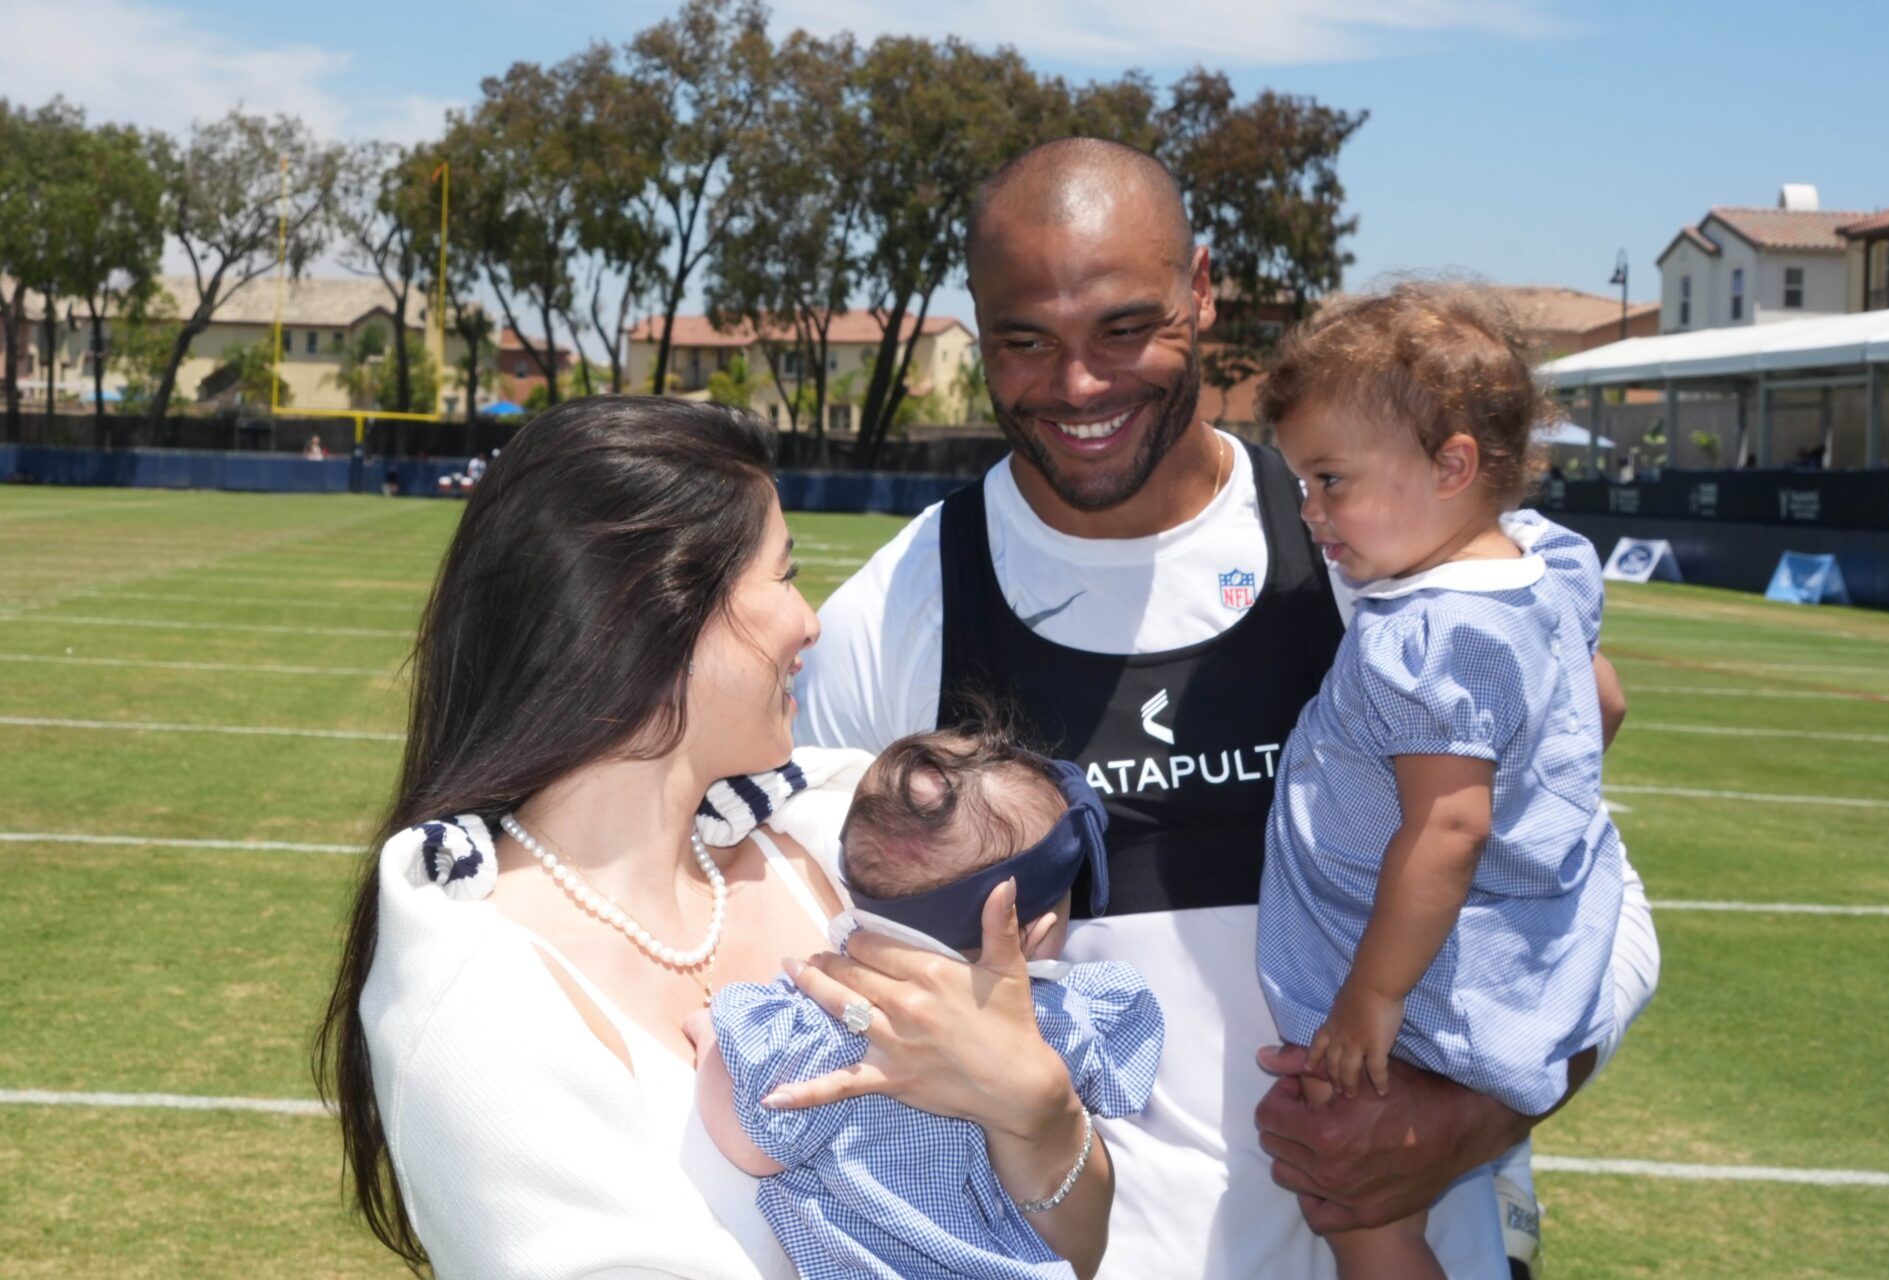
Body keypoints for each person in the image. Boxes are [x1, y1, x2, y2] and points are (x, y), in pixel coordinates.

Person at [792, 138, 1661, 1278]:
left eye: (1124, 326)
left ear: (1202, 289)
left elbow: (1597, 904)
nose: (1079, 384)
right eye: (1025, 341)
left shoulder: (1380, 557)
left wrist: (1482, 1117)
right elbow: (807, 974)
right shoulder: (898, 611)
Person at [314, 397, 1115, 1278]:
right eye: (783, 574)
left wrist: (1042, 1115)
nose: (809, 620)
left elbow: (1070, 1248)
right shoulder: (475, 1002)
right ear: (659, 609)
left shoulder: (841, 852)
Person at [1255, 284, 1627, 1278]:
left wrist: (1371, 998)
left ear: (1453, 464)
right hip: (1497, 951)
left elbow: (1449, 827)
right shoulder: (1543, 563)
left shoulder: (1432, 633)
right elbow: (1607, 707)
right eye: (1302, 480)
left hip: (1417, 986)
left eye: (1331, 479)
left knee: (1356, 1205)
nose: (1310, 510)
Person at [690, 725, 1164, 1280]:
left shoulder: (826, 1031)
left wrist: (712, 1045)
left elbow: (755, 1144)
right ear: (1033, 932)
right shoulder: (1064, 1022)